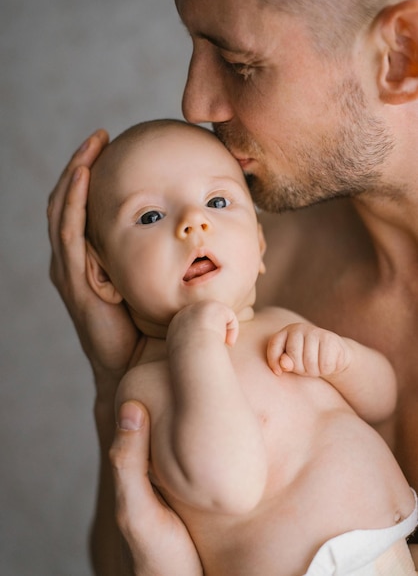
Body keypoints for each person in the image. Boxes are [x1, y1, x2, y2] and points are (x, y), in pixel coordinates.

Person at [46, 0, 418, 573]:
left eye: (241, 64)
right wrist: (113, 377)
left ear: (402, 54)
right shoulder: (251, 259)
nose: (195, 102)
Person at [85, 118, 416, 575]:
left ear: (259, 243)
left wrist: (341, 358)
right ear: (103, 275)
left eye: (217, 201)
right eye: (150, 216)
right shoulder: (149, 384)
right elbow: (228, 486)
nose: (193, 223)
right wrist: (195, 344)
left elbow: (382, 400)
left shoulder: (281, 322)